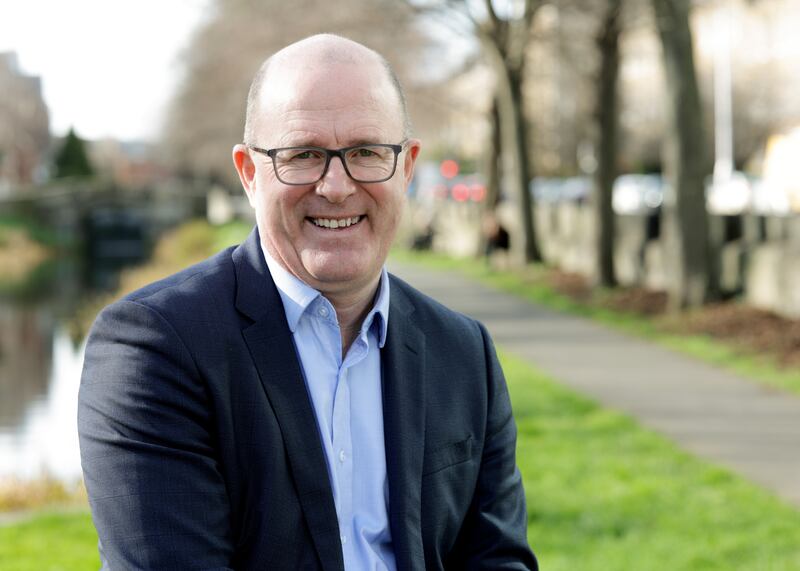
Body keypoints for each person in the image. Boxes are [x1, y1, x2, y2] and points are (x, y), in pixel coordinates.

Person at [78, 34, 537, 570]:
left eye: (366, 152)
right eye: (304, 155)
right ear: (249, 173)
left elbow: (497, 561)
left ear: (407, 167)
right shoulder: (154, 349)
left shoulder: (463, 353)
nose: (337, 186)